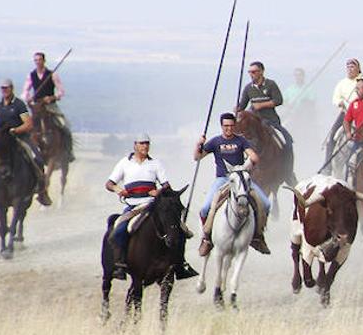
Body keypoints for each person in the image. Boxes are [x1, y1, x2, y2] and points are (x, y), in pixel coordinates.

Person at [104, 134, 192, 280]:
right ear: (135, 145)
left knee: (180, 230)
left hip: (152, 205)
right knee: (118, 231)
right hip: (133, 206)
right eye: (142, 143)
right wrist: (119, 190)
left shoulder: (156, 163)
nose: (145, 146)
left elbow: (166, 186)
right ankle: (120, 264)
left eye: (147, 143)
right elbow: (109, 183)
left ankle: (180, 265)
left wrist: (158, 192)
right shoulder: (124, 163)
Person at [194, 112, 271, 256]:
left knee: (266, 204)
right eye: (225, 126)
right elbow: (197, 157)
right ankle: (206, 239)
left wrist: (249, 163)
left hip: (240, 178)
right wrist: (199, 144)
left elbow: (253, 156)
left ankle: (258, 236)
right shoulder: (215, 142)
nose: (228, 129)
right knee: (204, 209)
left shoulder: (241, 141)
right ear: (221, 126)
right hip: (222, 179)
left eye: (231, 126)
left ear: (234, 126)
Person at [0, 79, 52, 207]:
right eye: (2, 88)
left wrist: (15, 130)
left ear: (12, 88)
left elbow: (28, 123)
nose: (5, 90)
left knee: (38, 159)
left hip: (18, 137)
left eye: (7, 88)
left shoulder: (19, 105)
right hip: (1, 139)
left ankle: (42, 191)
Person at [22, 51, 75, 163]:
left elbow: (61, 91)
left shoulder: (52, 75)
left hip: (50, 106)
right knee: (26, 127)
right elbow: (25, 91)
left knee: (65, 125)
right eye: (35, 60)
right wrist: (28, 98)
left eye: (39, 60)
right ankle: (24, 151)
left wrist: (52, 98)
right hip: (37, 107)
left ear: (44, 61)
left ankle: (69, 152)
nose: (37, 62)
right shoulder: (31, 75)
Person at [324, 59, 363, 163]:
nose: (350, 69)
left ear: (358, 68)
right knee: (332, 136)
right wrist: (339, 102)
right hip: (346, 114)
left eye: (352, 66)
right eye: (348, 67)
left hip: (362, 114)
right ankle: (327, 165)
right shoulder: (341, 83)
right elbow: (335, 98)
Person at [237, 61, 293, 145]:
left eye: (254, 72)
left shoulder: (270, 84)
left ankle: (288, 154)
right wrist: (237, 108)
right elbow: (242, 105)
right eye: (249, 72)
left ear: (261, 71)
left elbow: (278, 100)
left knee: (285, 138)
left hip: (270, 120)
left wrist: (261, 105)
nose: (251, 74)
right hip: (255, 123)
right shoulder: (248, 88)